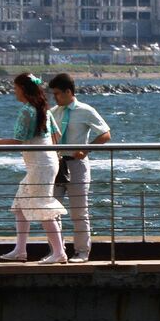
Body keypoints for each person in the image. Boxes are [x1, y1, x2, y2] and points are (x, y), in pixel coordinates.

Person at [0, 73, 68, 264]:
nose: (14, 91)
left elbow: (19, 140)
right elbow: (57, 134)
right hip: (44, 162)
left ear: (23, 89)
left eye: (15, 88)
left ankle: (59, 252)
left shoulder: (27, 111)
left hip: (39, 164)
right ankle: (20, 250)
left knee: (42, 205)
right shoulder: (44, 109)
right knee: (21, 205)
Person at [47, 72, 112, 263]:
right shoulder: (52, 112)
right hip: (57, 164)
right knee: (51, 210)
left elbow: (105, 134)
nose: (55, 97)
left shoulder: (86, 110)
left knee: (79, 211)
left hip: (77, 164)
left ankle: (82, 252)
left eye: (57, 94)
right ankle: (57, 251)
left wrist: (86, 150)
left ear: (68, 92)